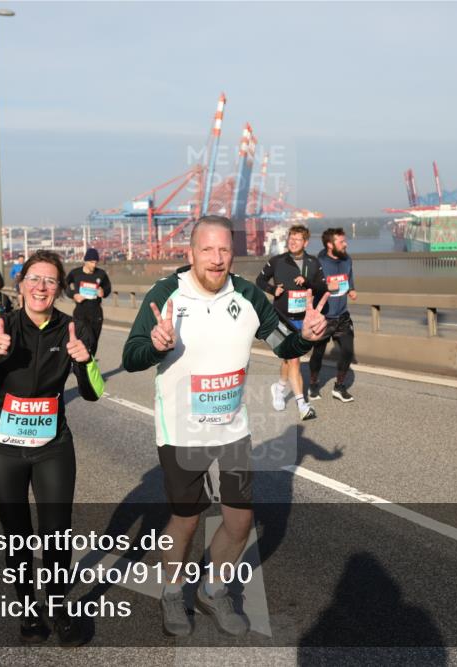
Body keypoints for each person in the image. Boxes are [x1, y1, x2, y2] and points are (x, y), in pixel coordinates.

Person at [122, 216, 328, 637]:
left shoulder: (248, 294)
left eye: (224, 251)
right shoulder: (166, 295)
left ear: (232, 254)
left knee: (238, 521)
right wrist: (155, 345)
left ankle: (213, 589)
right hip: (181, 431)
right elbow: (131, 356)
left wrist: (305, 337)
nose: (216, 260)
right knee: (187, 520)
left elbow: (281, 344)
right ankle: (173, 591)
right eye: (207, 250)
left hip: (232, 429)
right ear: (191, 253)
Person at [0, 250, 104, 646]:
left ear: (59, 289)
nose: (41, 287)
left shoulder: (71, 329)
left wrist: (85, 363)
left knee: (57, 534)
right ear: (22, 284)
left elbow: (94, 393)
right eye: (35, 278)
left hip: (51, 446)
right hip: (0, 449)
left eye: (50, 280)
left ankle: (57, 606)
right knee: (17, 535)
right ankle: (29, 610)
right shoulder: (0, 326)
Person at [255, 224, 326, 421]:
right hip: (281, 318)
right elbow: (259, 281)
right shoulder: (277, 261)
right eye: (290, 239)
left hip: (302, 319)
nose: (292, 242)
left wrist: (308, 283)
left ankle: (279, 388)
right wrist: (272, 290)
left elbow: (322, 286)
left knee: (289, 359)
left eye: (297, 240)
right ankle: (302, 405)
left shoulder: (313, 263)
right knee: (294, 358)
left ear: (305, 242)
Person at [309, 228, 358, 402]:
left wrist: (351, 290)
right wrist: (324, 287)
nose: (345, 244)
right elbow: (310, 286)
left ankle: (339, 387)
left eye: (344, 241)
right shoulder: (318, 262)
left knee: (347, 351)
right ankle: (314, 384)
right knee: (318, 353)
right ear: (330, 245)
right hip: (323, 317)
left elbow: (349, 279)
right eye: (341, 242)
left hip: (342, 316)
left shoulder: (347, 260)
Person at [65, 248, 111, 357]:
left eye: (95, 262)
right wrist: (73, 295)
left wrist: (103, 292)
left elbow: (108, 288)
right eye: (91, 262)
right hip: (80, 313)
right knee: (86, 340)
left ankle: (89, 365)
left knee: (94, 342)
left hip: (96, 313)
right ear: (85, 261)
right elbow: (64, 285)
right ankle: (82, 366)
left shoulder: (101, 274)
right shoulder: (75, 273)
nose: (94, 265)